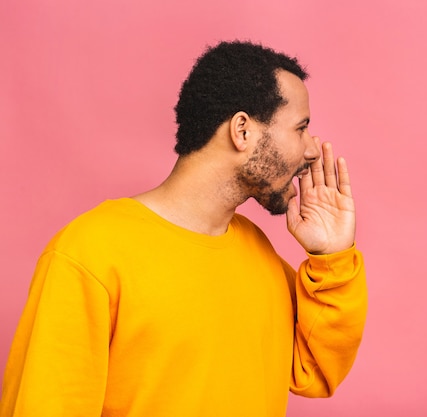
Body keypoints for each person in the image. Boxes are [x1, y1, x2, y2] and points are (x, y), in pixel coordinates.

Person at [0, 41, 367, 416]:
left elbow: (317, 370)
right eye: (301, 128)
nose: (311, 149)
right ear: (243, 131)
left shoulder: (257, 252)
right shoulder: (89, 253)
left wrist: (331, 256)